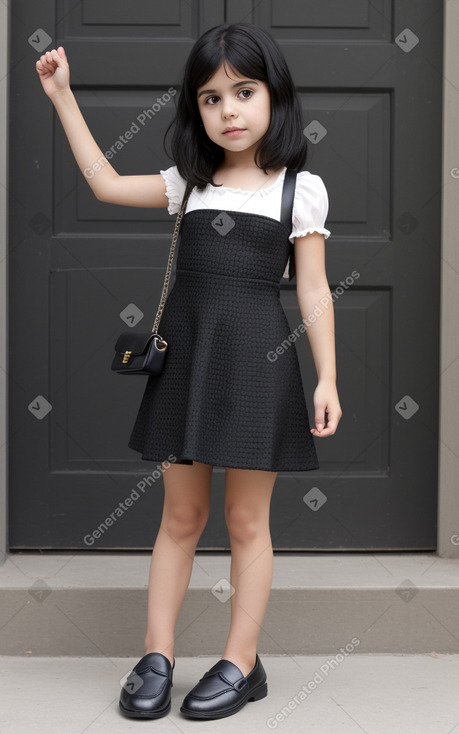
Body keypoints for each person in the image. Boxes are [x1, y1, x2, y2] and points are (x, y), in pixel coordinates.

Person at [36, 21, 342, 721]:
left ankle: (239, 660)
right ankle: (156, 653)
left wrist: (326, 378)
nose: (227, 111)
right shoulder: (189, 184)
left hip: (257, 366)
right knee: (180, 514)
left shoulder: (301, 190)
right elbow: (106, 184)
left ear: (275, 96)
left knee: (244, 520)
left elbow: (313, 290)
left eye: (242, 92)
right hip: (188, 361)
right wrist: (62, 97)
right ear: (194, 111)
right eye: (209, 99)